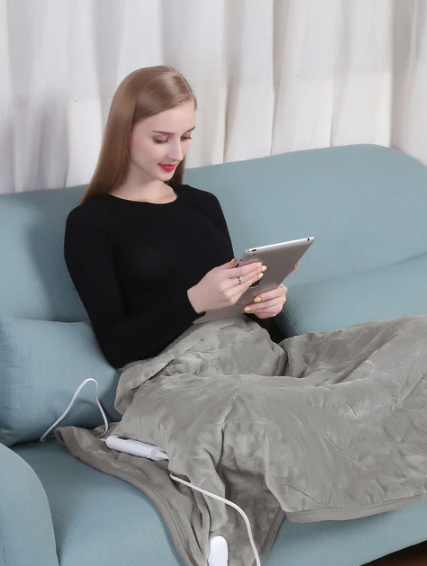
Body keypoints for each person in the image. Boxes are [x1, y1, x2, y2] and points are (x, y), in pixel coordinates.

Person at [64, 65, 288, 368]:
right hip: (180, 377)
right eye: (160, 139)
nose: (177, 154)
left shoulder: (204, 203)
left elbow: (235, 321)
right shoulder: (90, 224)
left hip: (251, 357)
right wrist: (195, 300)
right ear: (123, 134)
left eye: (185, 137)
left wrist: (262, 307)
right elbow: (116, 347)